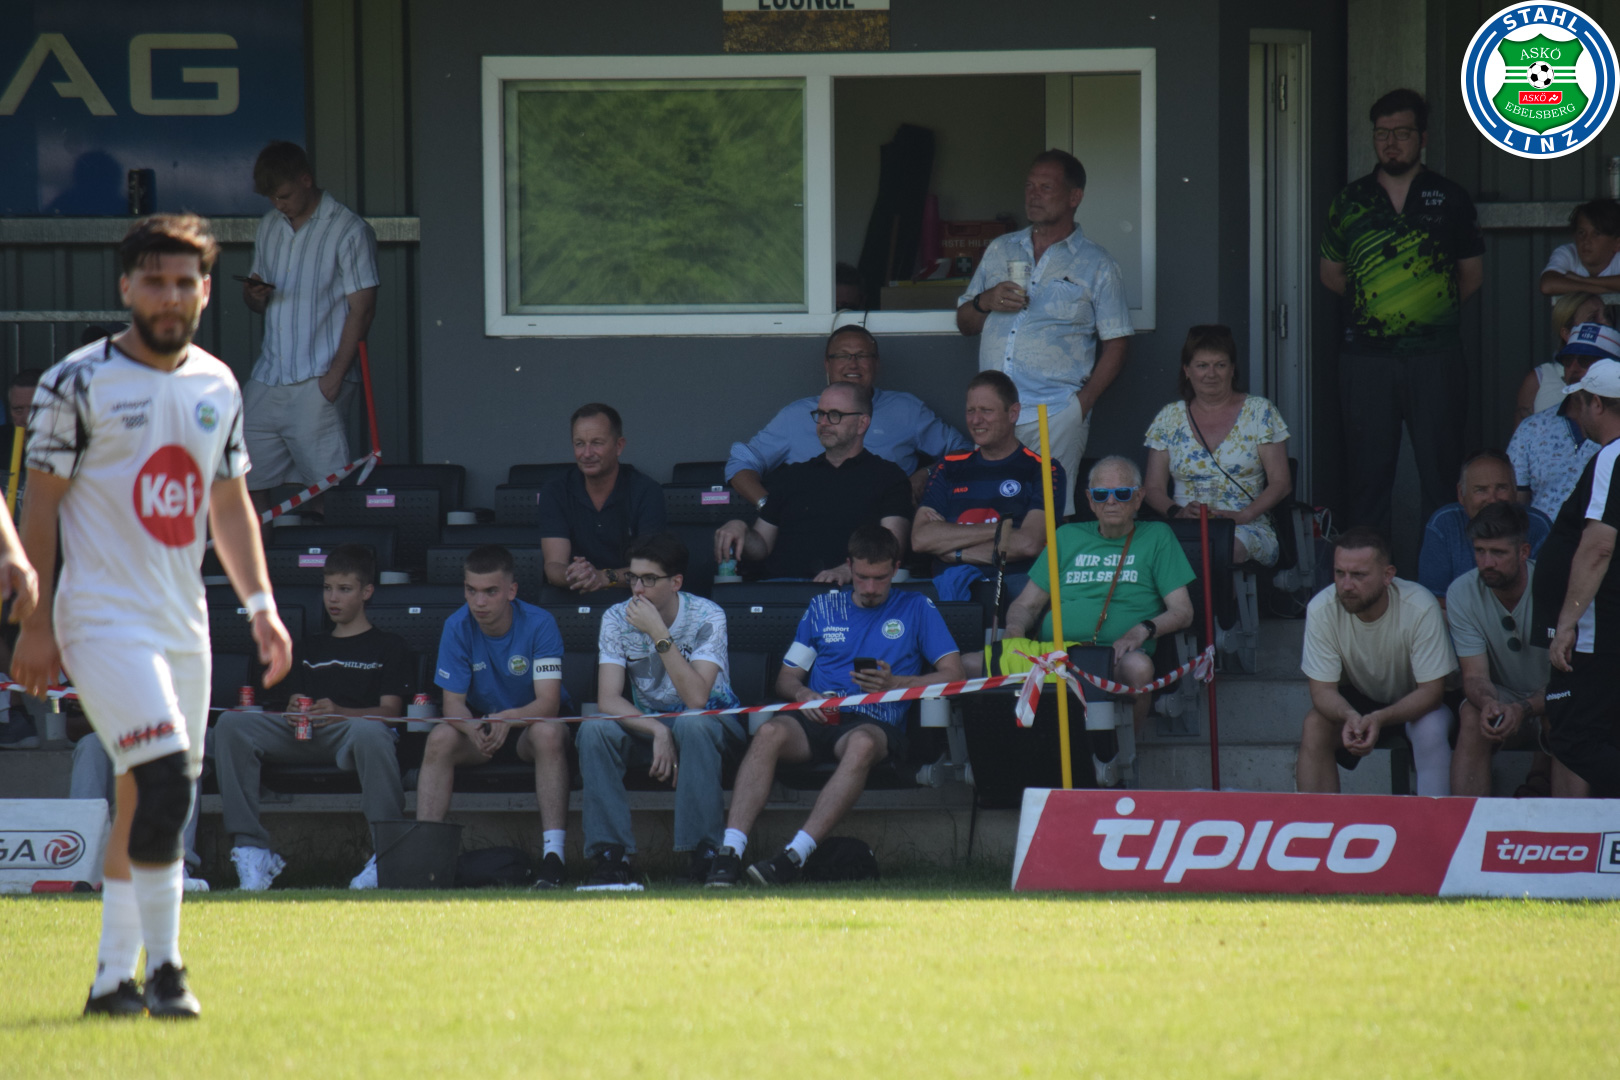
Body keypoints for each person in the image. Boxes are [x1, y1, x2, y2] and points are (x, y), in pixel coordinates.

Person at [13, 214, 292, 1019]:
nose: (170, 296)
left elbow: (230, 505)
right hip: (100, 620)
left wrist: (262, 607)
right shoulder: (76, 382)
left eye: (185, 282)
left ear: (205, 292)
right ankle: (167, 971)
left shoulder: (218, 383)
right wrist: (36, 623)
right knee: (165, 777)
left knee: (151, 793)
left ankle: (111, 982)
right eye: (155, 281)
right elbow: (40, 508)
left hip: (183, 622)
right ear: (126, 287)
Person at [704, 525, 964, 888]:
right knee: (769, 732)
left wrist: (895, 684)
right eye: (862, 577)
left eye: (880, 578)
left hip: (875, 720)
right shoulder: (822, 607)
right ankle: (729, 852)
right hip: (817, 715)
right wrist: (803, 695)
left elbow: (954, 675)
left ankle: (794, 856)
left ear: (896, 569)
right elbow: (786, 678)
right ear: (849, 566)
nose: (870, 588)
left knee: (862, 744)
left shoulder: (917, 607)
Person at [1319, 89, 1485, 542]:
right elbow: (1331, 275)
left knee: (1443, 475)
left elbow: (1471, 276)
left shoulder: (1450, 197)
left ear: (1423, 138)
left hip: (1436, 357)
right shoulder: (1350, 200)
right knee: (1366, 478)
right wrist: (1379, 307)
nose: (1391, 143)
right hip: (1366, 360)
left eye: (1402, 133)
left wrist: (1425, 310)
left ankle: (1444, 577)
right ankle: (1366, 577)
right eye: (1382, 134)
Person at [214, 544, 412, 891]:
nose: (333, 598)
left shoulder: (389, 646)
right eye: (327, 588)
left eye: (344, 589)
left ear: (367, 592)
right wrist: (292, 709)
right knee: (231, 723)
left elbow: (391, 713)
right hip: (302, 735)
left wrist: (341, 714)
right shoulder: (308, 646)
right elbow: (293, 700)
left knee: (372, 731)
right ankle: (251, 849)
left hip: (350, 733)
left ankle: (386, 852)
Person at [996, 456, 1195, 782]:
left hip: (1112, 657)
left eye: (1122, 493)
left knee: (1140, 668)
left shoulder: (1157, 535)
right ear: (1089, 500)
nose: (1111, 502)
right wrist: (1015, 631)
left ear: (1139, 497)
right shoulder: (1066, 536)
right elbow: (1026, 605)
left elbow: (1183, 611)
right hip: (1051, 657)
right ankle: (1006, 765)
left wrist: (1141, 631)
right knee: (969, 666)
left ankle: (1119, 756)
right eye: (1101, 495)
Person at [956, 149, 1134, 490]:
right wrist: (985, 301)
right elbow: (965, 324)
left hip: (1054, 412)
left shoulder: (1098, 264)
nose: (1033, 195)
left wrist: (1079, 407)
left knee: (1050, 512)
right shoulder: (1001, 249)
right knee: (992, 507)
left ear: (1074, 197)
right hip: (993, 413)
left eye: (1045, 187)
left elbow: (1117, 344)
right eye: (1029, 186)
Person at [575, 532, 743, 891]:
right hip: (652, 723)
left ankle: (704, 854)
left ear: (676, 582)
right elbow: (608, 699)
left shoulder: (707, 615)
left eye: (649, 579)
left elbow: (697, 699)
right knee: (594, 729)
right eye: (633, 578)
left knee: (692, 724)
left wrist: (657, 632)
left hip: (713, 721)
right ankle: (611, 856)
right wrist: (657, 730)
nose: (637, 589)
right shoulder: (616, 617)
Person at [416, 545, 571, 886]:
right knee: (440, 737)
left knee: (549, 732)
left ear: (511, 591)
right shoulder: (456, 625)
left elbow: (548, 704)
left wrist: (508, 718)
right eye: (471, 590)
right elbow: (453, 705)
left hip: (528, 728)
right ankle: (425, 856)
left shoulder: (540, 623)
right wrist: (472, 728)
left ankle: (554, 856)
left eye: (490, 592)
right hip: (483, 731)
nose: (479, 602)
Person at [240, 141, 379, 503]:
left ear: (306, 180)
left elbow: (363, 309)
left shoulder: (348, 229)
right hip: (269, 374)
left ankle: (325, 543)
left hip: (319, 374)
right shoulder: (269, 226)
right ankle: (258, 544)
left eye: (284, 195)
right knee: (245, 483)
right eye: (272, 198)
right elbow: (256, 300)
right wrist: (254, 295)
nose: (278, 204)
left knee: (325, 490)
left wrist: (335, 377)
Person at [725, 326, 967, 505]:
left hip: (885, 529)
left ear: (876, 364)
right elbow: (741, 462)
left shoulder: (907, 410)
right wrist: (769, 507)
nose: (852, 364)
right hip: (813, 527)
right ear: (827, 364)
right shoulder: (796, 415)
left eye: (862, 356)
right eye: (842, 356)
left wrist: (926, 475)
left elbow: (964, 452)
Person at [1296, 528, 1455, 796]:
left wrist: (1380, 718)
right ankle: (1318, 820)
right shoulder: (1321, 609)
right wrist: (1349, 715)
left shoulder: (1420, 605)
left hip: (1423, 701)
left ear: (1388, 575)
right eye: (1340, 573)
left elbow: (1432, 692)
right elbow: (1322, 691)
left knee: (1429, 728)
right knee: (1315, 724)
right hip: (1365, 698)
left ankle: (1436, 820)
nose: (1346, 585)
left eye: (1359, 575)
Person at [714, 381, 913, 584]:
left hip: (850, 593)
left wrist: (850, 570)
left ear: (862, 423)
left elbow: (893, 547)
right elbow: (762, 545)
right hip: (782, 593)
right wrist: (741, 529)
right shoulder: (792, 476)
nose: (824, 422)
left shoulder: (889, 477)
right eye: (820, 414)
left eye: (835, 415)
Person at [1534, 359, 1620, 798]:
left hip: (1596, 629)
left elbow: (1598, 545)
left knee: (1571, 736)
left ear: (1597, 405)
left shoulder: (1612, 456)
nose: (1577, 413)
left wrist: (1567, 623)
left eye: (1580, 403)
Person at [1447, 503, 1570, 798]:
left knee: (1565, 715)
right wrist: (1490, 703)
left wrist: (1524, 708)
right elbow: (1474, 676)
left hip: (1556, 694)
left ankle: (1571, 821)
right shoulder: (1461, 592)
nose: (1487, 562)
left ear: (1524, 552)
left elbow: (1571, 678)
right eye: (1480, 551)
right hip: (1503, 695)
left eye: (1498, 553)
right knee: (1473, 714)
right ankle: (1468, 820)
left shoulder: (1555, 587)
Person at [1142, 324, 1293, 566]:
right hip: (1184, 526)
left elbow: (1281, 483)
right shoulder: (1169, 417)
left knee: (1220, 548)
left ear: (1232, 369)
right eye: (1202, 365)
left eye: (1220, 365)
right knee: (1150, 551)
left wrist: (1244, 515)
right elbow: (1152, 487)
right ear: (1187, 370)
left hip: (1245, 527)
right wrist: (1176, 512)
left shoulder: (1259, 411)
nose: (1211, 374)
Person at [911, 370, 1063, 601]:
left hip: (1015, 591)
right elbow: (921, 538)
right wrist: (1000, 530)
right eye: (970, 410)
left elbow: (1029, 543)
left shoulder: (1043, 469)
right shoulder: (949, 466)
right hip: (950, 591)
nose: (975, 420)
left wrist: (956, 551)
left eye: (986, 410)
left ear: (1013, 413)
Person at [539, 403, 666, 594]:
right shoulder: (555, 491)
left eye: (597, 443)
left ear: (619, 446)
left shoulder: (646, 491)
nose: (587, 453)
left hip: (633, 599)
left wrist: (604, 577)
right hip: (572, 597)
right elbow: (553, 565)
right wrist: (575, 575)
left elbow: (652, 569)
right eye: (579, 444)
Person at [1508, 323, 1619, 517]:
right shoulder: (1532, 428)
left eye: (1585, 360)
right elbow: (1515, 504)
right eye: (1567, 361)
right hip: (1543, 535)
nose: (1574, 368)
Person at [1417, 451, 1551, 601]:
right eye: (1481, 490)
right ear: (1461, 494)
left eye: (1501, 488)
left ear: (1515, 491)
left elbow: (1547, 596)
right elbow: (1433, 599)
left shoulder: (1538, 526)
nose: (1492, 499)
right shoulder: (1444, 524)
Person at [0, 366, 45, 750]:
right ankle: (15, 711)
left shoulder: (72, 449)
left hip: (57, 567)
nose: (25, 418)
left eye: (34, 409)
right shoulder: (3, 447)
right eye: (18, 410)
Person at [1513, 293, 1612, 425]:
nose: (1606, 323)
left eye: (1607, 316)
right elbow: (1522, 436)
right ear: (1567, 333)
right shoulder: (1540, 380)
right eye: (1593, 319)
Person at [1538, 198, 1620, 302]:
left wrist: (1583, 280)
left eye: (1596, 234)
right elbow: (1547, 285)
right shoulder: (1568, 253)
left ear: (1617, 244)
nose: (1586, 240)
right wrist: (1603, 289)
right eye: (1581, 232)